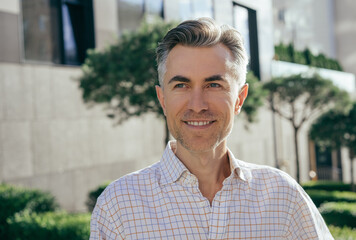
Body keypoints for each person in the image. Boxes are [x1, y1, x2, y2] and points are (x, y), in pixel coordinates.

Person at [90, 18, 333, 239]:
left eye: (214, 84)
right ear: (162, 99)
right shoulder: (117, 207)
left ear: (240, 98)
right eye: (181, 85)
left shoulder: (284, 197)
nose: (197, 106)